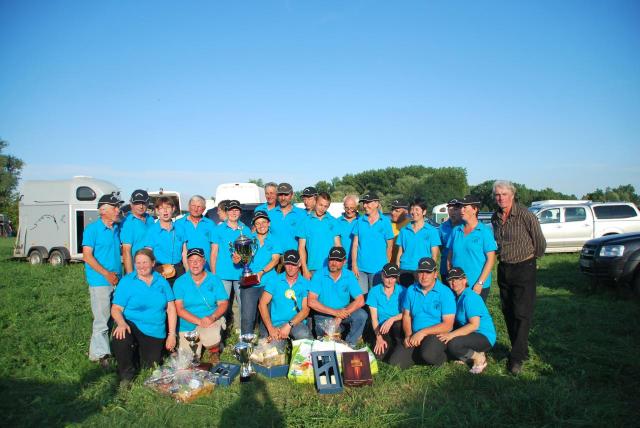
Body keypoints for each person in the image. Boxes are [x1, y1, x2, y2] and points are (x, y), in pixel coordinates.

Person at [491, 180, 546, 375]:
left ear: (512, 195)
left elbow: (540, 242)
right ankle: (519, 349)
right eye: (497, 195)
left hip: (524, 266)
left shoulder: (525, 215)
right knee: (508, 310)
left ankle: (516, 358)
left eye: (504, 194)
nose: (500, 198)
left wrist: (532, 261)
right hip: (504, 268)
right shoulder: (495, 217)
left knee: (522, 312)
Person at [111, 248, 177, 384]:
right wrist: (121, 323)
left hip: (154, 329)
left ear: (153, 263)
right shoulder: (127, 281)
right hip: (131, 324)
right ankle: (126, 375)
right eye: (138, 263)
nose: (141, 266)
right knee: (120, 337)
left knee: (150, 366)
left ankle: (137, 354)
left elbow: (171, 308)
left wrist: (171, 335)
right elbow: (116, 309)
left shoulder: (162, 281)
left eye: (145, 262)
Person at [388, 257, 455, 369]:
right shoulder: (411, 290)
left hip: (436, 334)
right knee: (395, 363)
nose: (424, 276)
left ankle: (445, 356)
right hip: (415, 332)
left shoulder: (445, 292)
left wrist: (423, 333)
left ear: (435, 274)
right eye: (421, 272)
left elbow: (448, 325)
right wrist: (408, 335)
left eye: (428, 272)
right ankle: (420, 354)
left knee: (428, 354)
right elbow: (406, 316)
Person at [82, 193, 123, 367]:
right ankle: (100, 355)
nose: (118, 210)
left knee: (115, 316)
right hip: (100, 281)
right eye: (114, 207)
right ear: (103, 210)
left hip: (116, 279)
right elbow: (87, 256)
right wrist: (106, 274)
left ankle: (106, 349)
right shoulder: (92, 229)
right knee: (102, 318)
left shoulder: (116, 228)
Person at [174, 248, 229, 364]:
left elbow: (223, 303)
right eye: (191, 260)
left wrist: (212, 317)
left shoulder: (214, 279)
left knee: (211, 336)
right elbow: (179, 309)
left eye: (198, 260)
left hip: (209, 320)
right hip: (188, 323)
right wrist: (199, 321)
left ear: (204, 261)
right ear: (187, 262)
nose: (195, 263)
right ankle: (197, 348)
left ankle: (214, 350)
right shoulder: (180, 282)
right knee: (188, 361)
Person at [437, 267, 496, 374]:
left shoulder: (470, 297)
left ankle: (479, 358)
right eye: (450, 279)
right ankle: (469, 356)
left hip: (483, 335)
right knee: (447, 343)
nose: (453, 282)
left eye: (457, 279)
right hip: (471, 334)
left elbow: (474, 325)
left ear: (465, 280)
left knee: (453, 344)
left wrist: (452, 335)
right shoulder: (458, 297)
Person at [308, 247, 368, 347]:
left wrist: (340, 316)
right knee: (327, 344)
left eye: (338, 260)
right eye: (332, 259)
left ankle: (350, 344)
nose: (334, 263)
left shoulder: (349, 275)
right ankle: (336, 336)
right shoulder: (319, 275)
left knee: (362, 315)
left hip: (344, 313)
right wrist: (336, 313)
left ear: (344, 261)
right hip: (323, 315)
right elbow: (311, 301)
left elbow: (360, 300)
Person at [235, 210, 281, 335]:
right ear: (254, 225)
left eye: (264, 222)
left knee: (267, 316)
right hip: (250, 282)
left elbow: (275, 259)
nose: (261, 225)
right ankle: (246, 345)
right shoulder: (248, 240)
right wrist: (238, 259)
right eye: (258, 223)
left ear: (269, 223)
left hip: (269, 283)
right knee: (247, 317)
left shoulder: (275, 240)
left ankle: (265, 344)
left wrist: (261, 272)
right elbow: (243, 260)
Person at [447, 195, 497, 302]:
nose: (461, 210)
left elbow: (491, 260)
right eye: (461, 207)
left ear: (475, 209)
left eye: (465, 207)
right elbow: (449, 257)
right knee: (458, 317)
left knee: (472, 316)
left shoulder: (484, 231)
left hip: (476, 285)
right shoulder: (456, 231)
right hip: (457, 285)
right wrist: (451, 278)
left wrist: (480, 283)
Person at [210, 199, 251, 326]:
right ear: (227, 212)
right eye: (231, 210)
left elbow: (250, 253)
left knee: (243, 304)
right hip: (222, 274)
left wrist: (243, 259)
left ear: (240, 213)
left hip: (241, 274)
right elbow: (214, 253)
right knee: (221, 304)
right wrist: (213, 274)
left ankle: (241, 332)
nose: (234, 212)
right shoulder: (218, 229)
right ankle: (221, 333)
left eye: (236, 210)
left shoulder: (246, 229)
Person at [258, 249, 313, 340]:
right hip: (277, 325)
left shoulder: (305, 283)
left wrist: (289, 325)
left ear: (299, 264)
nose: (290, 267)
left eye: (293, 264)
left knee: (303, 335)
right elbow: (262, 304)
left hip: (296, 323)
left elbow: (305, 310)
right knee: (273, 352)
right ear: (284, 263)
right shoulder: (274, 280)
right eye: (288, 264)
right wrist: (271, 328)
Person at [351, 192, 394, 294]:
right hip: (360, 269)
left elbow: (390, 246)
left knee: (375, 297)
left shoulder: (385, 222)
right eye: (364, 203)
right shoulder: (360, 221)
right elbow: (355, 244)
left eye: (367, 203)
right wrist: (354, 265)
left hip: (379, 269)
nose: (365, 206)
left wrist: (386, 266)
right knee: (360, 297)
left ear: (376, 203)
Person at [395, 199, 441, 287]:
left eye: (417, 209)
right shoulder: (404, 230)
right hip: (405, 269)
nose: (413, 212)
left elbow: (434, 256)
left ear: (424, 212)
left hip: (423, 270)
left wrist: (432, 272)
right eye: (412, 209)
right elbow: (400, 252)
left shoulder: (432, 231)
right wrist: (397, 270)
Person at [366, 263, 406, 362]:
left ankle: (399, 344)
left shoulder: (403, 291)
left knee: (398, 325)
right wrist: (379, 337)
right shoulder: (374, 292)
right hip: (381, 327)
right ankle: (389, 344)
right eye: (387, 276)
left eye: (393, 277)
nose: (390, 280)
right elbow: (374, 318)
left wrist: (392, 319)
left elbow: (407, 313)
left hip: (398, 325)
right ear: (382, 275)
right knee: (380, 356)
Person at [144, 196, 187, 286]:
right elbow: (148, 253)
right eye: (161, 208)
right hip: (159, 270)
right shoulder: (151, 231)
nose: (165, 211)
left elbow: (184, 253)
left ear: (173, 209)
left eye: (168, 207)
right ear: (157, 211)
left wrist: (188, 272)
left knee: (180, 298)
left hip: (179, 269)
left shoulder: (180, 228)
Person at [297, 192, 341, 279]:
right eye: (320, 205)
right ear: (315, 202)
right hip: (312, 268)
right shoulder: (305, 222)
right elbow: (301, 247)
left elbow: (338, 245)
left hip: (331, 268)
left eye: (325, 206)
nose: (322, 208)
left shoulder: (333, 221)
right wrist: (305, 269)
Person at [175, 195, 216, 271]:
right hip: (185, 268)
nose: (196, 209)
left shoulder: (210, 224)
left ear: (204, 209)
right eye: (193, 206)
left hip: (206, 268)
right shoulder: (178, 223)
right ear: (189, 207)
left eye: (199, 206)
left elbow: (214, 247)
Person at [120, 189, 154, 274]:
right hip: (137, 270)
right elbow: (126, 251)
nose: (141, 206)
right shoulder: (128, 222)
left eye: (143, 203)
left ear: (148, 203)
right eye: (137, 203)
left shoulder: (150, 219)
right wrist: (130, 276)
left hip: (151, 269)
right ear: (131, 204)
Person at [269, 183, 307, 252]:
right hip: (274, 259)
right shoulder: (270, 214)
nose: (283, 198)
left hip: (294, 259)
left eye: (286, 195)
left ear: (292, 195)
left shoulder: (302, 214)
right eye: (280, 195)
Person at [439, 198, 462, 282]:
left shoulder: (465, 226)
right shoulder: (442, 227)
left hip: (461, 268)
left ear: (461, 210)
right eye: (450, 209)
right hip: (445, 268)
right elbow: (440, 247)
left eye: (455, 209)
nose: (452, 212)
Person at [337, 194, 359, 268]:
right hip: (342, 263)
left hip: (358, 264)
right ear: (343, 207)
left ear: (357, 207)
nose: (349, 211)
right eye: (347, 208)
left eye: (352, 208)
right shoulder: (336, 222)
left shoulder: (362, 221)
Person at [390, 199, 410, 264]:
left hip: (404, 265)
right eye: (392, 210)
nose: (393, 213)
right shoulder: (387, 225)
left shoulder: (410, 225)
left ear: (406, 212)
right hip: (389, 264)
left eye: (397, 211)